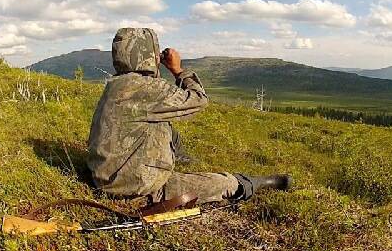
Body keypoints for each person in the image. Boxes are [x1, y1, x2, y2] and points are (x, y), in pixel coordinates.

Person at [87, 27, 291, 204]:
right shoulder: (145, 87)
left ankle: (180, 157)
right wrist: (177, 70)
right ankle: (248, 184)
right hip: (133, 185)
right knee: (217, 183)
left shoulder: (118, 84)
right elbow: (199, 100)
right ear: (147, 55)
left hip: (105, 175)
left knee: (164, 126)